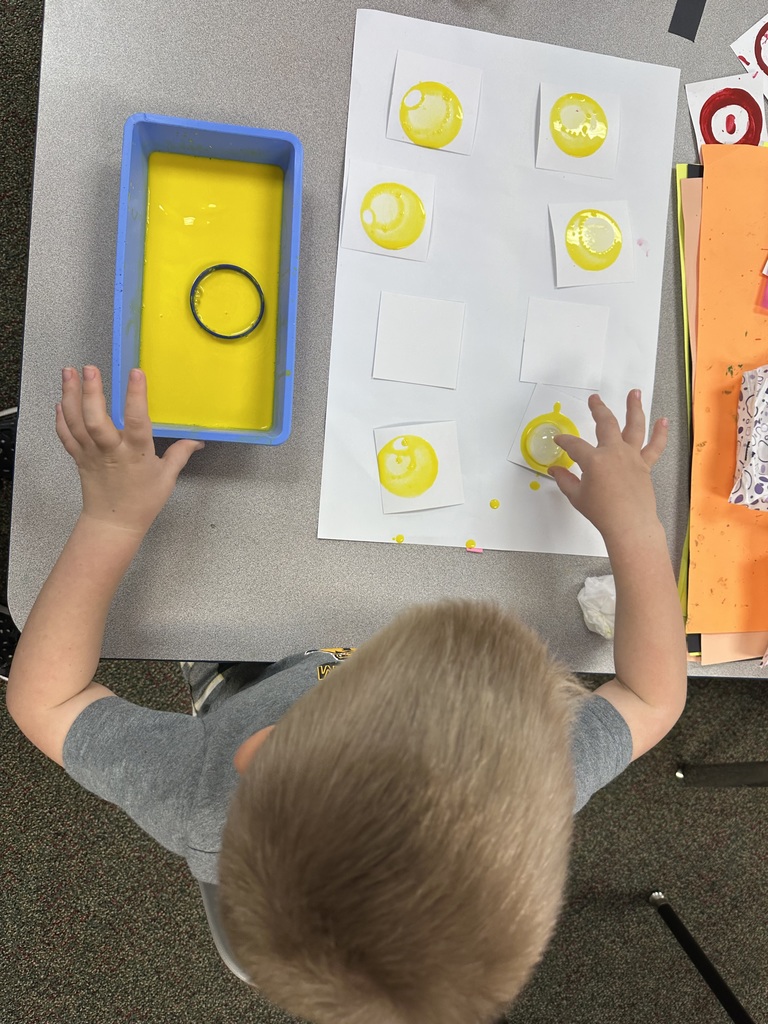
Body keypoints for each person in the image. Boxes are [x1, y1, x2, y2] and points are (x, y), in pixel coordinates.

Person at [6, 366, 687, 1024]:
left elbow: (47, 700)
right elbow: (654, 697)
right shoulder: (527, 778)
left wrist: (110, 524)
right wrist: (635, 529)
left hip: (246, 673)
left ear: (260, 752)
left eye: (396, 659)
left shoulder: (198, 795)